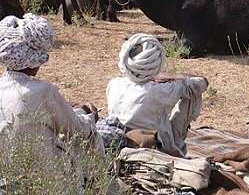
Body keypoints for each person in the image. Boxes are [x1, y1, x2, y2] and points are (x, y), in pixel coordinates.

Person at [0, 14, 103, 156]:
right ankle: (98, 176)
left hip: (8, 171)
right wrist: (90, 116)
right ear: (34, 60)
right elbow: (75, 131)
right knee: (92, 138)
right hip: (43, 175)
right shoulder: (44, 91)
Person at [106, 33, 208, 157]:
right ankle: (177, 143)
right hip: (156, 146)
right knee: (192, 92)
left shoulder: (114, 84)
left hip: (123, 142)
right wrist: (169, 76)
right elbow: (202, 83)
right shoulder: (160, 90)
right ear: (156, 63)